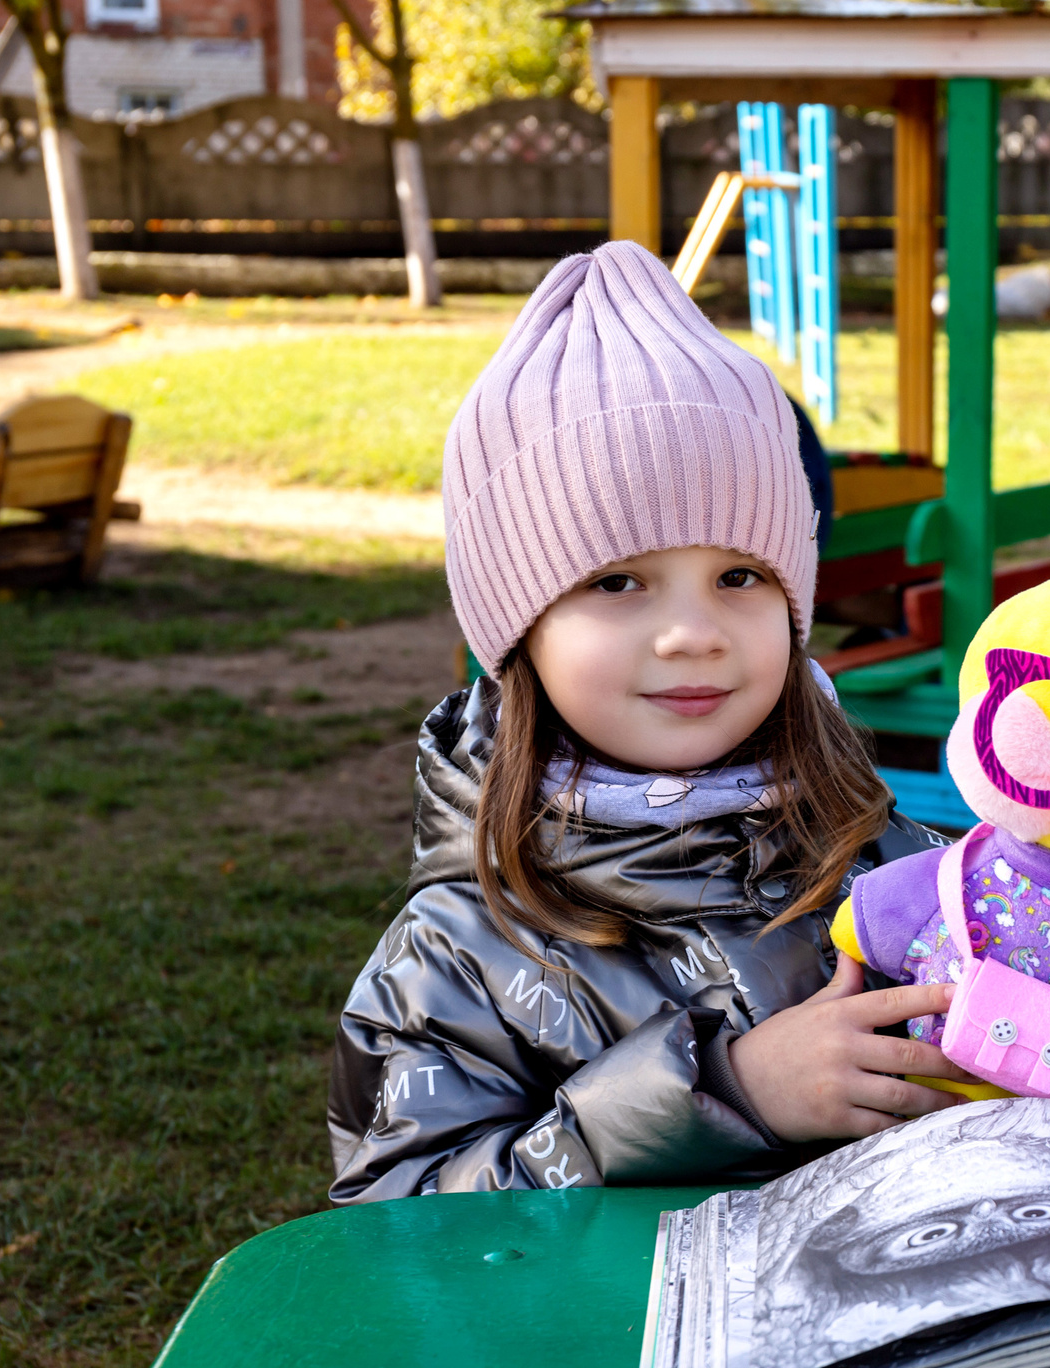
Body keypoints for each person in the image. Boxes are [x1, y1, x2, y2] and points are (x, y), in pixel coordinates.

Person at [327, 241, 973, 1204]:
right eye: (618, 582)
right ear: (519, 627)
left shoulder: (893, 858)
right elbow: (401, 1221)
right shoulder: (455, 952)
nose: (692, 635)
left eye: (740, 576)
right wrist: (725, 1090)